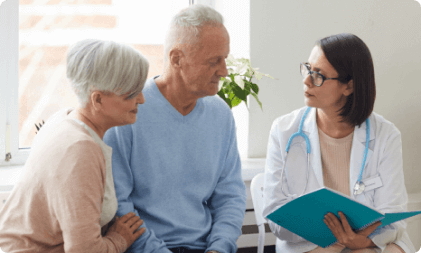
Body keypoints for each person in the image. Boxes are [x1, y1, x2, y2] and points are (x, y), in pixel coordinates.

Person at [103, 4, 247, 253]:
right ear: (177, 59)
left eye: (225, 59)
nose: (223, 71)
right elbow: (119, 204)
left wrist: (219, 248)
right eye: (214, 61)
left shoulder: (220, 114)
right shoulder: (128, 112)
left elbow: (230, 197)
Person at [262, 33, 415, 253]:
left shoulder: (386, 135)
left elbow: (393, 218)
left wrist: (363, 242)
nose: (306, 80)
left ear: (349, 87)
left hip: (370, 243)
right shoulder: (284, 131)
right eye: (307, 69)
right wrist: (333, 235)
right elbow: (276, 219)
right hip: (309, 244)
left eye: (318, 75)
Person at [0, 39, 149, 253]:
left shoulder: (64, 118)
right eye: (132, 94)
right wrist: (119, 239)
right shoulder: (80, 151)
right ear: (97, 100)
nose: (142, 99)